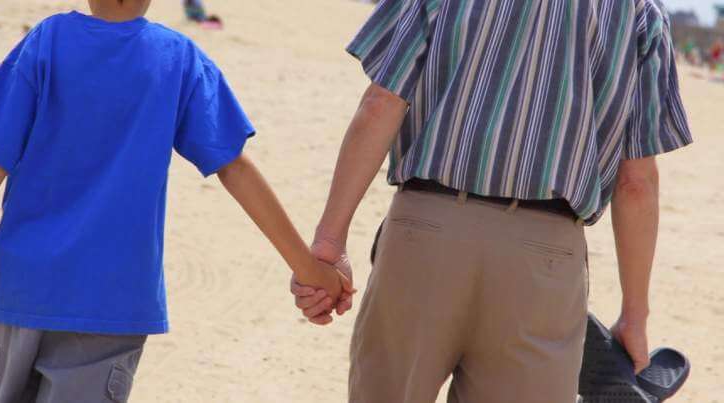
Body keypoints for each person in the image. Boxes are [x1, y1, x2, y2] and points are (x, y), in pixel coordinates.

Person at [0, 0, 351, 401]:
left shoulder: (46, 42)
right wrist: (307, 267)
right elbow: (233, 167)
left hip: (23, 289)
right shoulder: (177, 58)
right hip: (114, 298)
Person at [292, 0, 692, 402]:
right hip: (545, 261)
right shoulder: (641, 11)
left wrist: (330, 240)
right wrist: (634, 315)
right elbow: (636, 182)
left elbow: (380, 103)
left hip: (424, 236)